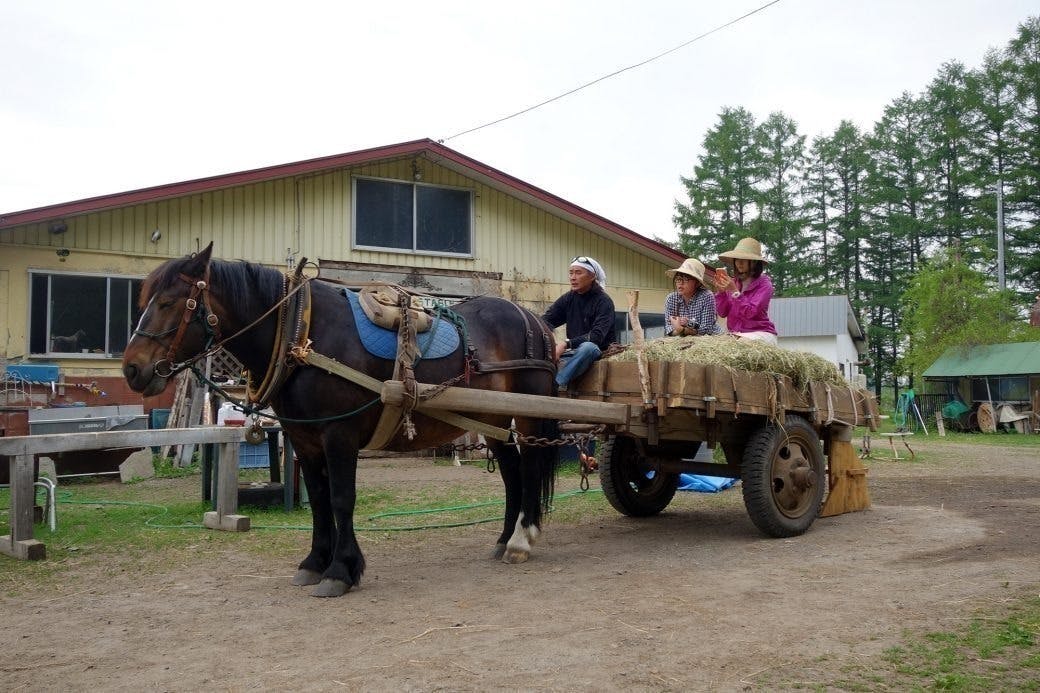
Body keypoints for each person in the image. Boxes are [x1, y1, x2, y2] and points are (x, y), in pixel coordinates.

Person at [542, 255, 616, 388]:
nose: (573, 277)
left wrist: (565, 344)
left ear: (592, 276)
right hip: (571, 354)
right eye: (571, 273)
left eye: (578, 273)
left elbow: (596, 337)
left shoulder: (604, 302)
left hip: (597, 354)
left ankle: (555, 385)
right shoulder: (568, 299)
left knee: (589, 347)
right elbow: (546, 321)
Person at [713, 237, 778, 345]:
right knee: (718, 345)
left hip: (760, 333)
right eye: (737, 259)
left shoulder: (765, 284)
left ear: (754, 263)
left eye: (744, 259)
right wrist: (721, 292)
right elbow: (722, 312)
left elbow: (751, 312)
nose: (739, 263)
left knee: (739, 345)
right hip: (736, 334)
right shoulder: (733, 282)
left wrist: (734, 292)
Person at [663, 258, 723, 337]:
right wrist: (682, 330)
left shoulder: (706, 296)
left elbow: (707, 330)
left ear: (697, 283)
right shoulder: (671, 298)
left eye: (685, 279)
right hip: (682, 341)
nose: (680, 283)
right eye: (678, 279)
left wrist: (686, 325)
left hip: (711, 340)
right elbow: (669, 329)